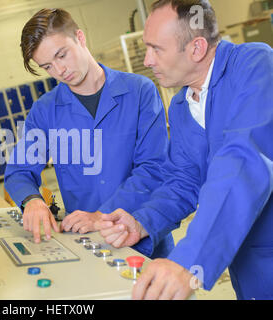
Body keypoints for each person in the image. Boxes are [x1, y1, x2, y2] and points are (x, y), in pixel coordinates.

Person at [95, 0, 273, 300]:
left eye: (156, 49)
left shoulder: (256, 66)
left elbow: (245, 158)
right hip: (245, 260)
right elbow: (185, 181)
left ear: (197, 48)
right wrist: (142, 221)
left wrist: (189, 259)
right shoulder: (181, 106)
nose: (148, 60)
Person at [3, 8, 174, 259]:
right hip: (89, 244)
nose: (60, 70)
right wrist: (32, 200)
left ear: (80, 38)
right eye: (48, 66)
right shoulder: (45, 110)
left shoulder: (139, 92)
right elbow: (19, 171)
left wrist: (101, 217)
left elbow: (153, 168)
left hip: (143, 236)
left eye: (62, 55)